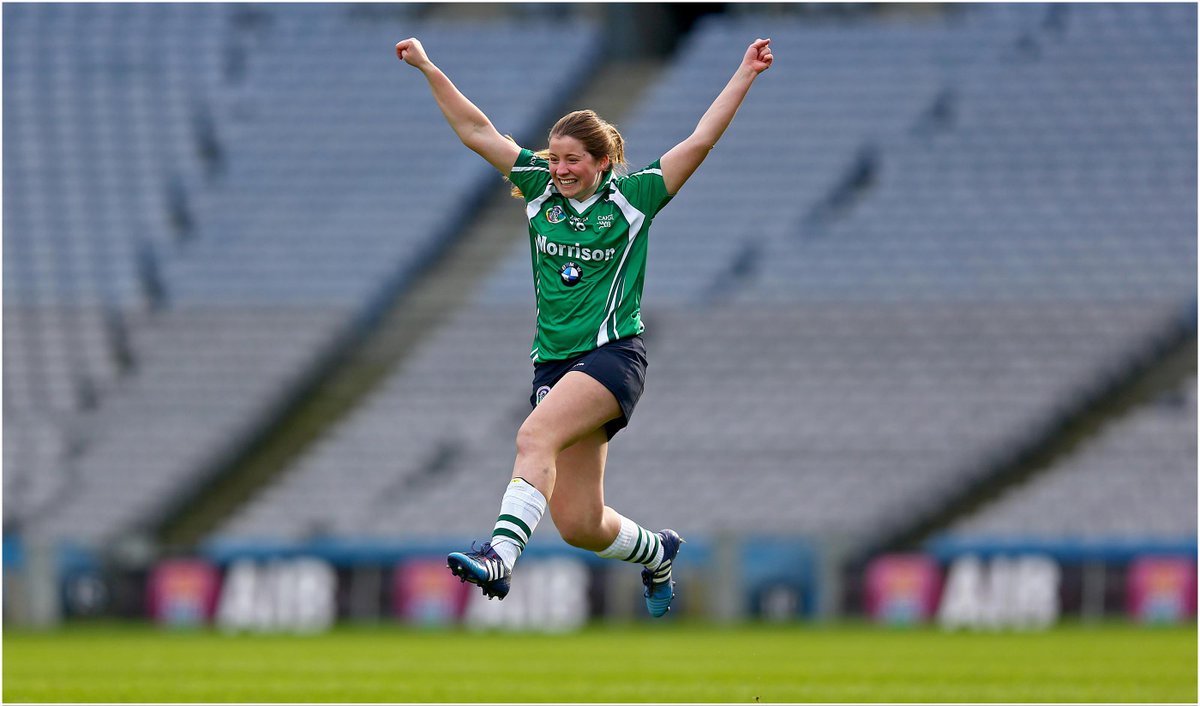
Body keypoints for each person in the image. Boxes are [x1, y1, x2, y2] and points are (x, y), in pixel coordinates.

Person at [396, 35, 773, 617]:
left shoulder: (634, 199)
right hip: (554, 363)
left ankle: (500, 554)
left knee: (532, 437)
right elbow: (476, 131)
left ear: (602, 162)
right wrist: (427, 66)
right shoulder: (536, 188)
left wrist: (744, 73)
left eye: (573, 159)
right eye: (554, 157)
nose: (561, 168)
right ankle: (657, 552)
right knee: (579, 523)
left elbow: (700, 139)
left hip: (612, 356)